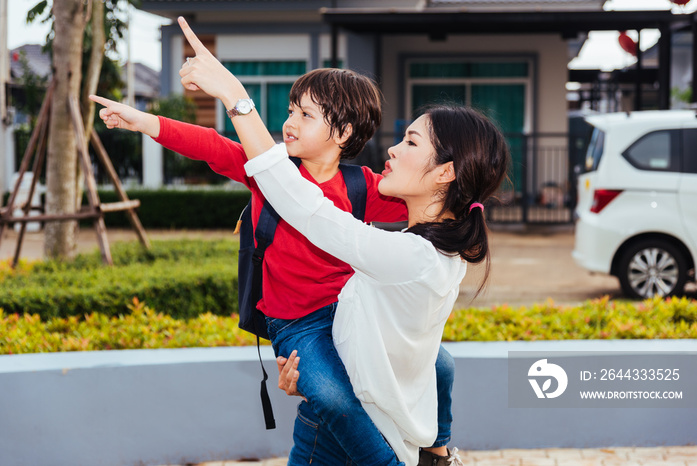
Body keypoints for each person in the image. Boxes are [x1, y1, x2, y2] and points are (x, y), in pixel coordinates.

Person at [90, 18, 459, 466]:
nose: (288, 123)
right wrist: (143, 120)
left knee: (440, 363)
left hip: (351, 315)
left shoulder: (364, 187)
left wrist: (471, 206)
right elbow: (211, 144)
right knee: (333, 398)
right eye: (290, 110)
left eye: (305, 115)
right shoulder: (268, 172)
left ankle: (438, 451)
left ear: (342, 134)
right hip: (297, 323)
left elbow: (433, 206)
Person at [166, 17, 508, 466]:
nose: (392, 148)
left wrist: (235, 96)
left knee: (378, 385)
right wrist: (306, 367)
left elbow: (307, 209)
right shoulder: (438, 245)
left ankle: (436, 454)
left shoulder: (406, 252)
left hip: (363, 418)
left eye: (409, 141)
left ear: (445, 173)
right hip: (326, 395)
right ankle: (441, 452)